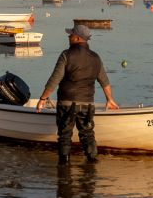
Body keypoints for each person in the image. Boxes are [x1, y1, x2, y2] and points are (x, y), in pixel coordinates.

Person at [35, 24, 118, 164]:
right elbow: (105, 81)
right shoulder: (95, 57)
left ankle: (64, 166)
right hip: (87, 103)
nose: (69, 36)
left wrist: (43, 98)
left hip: (67, 103)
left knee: (65, 135)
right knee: (87, 134)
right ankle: (92, 163)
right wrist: (109, 99)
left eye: (71, 34)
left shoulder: (66, 55)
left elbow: (54, 79)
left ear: (77, 38)